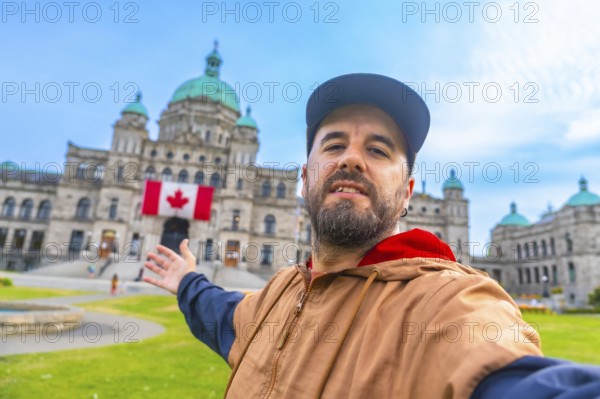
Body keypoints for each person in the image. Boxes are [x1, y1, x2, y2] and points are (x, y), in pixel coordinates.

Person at [144, 73, 600, 398]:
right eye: (334, 144)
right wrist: (187, 280)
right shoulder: (277, 298)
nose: (352, 160)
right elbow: (223, 316)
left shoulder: (445, 302)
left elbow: (498, 371)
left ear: (407, 194)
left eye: (378, 149)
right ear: (304, 178)